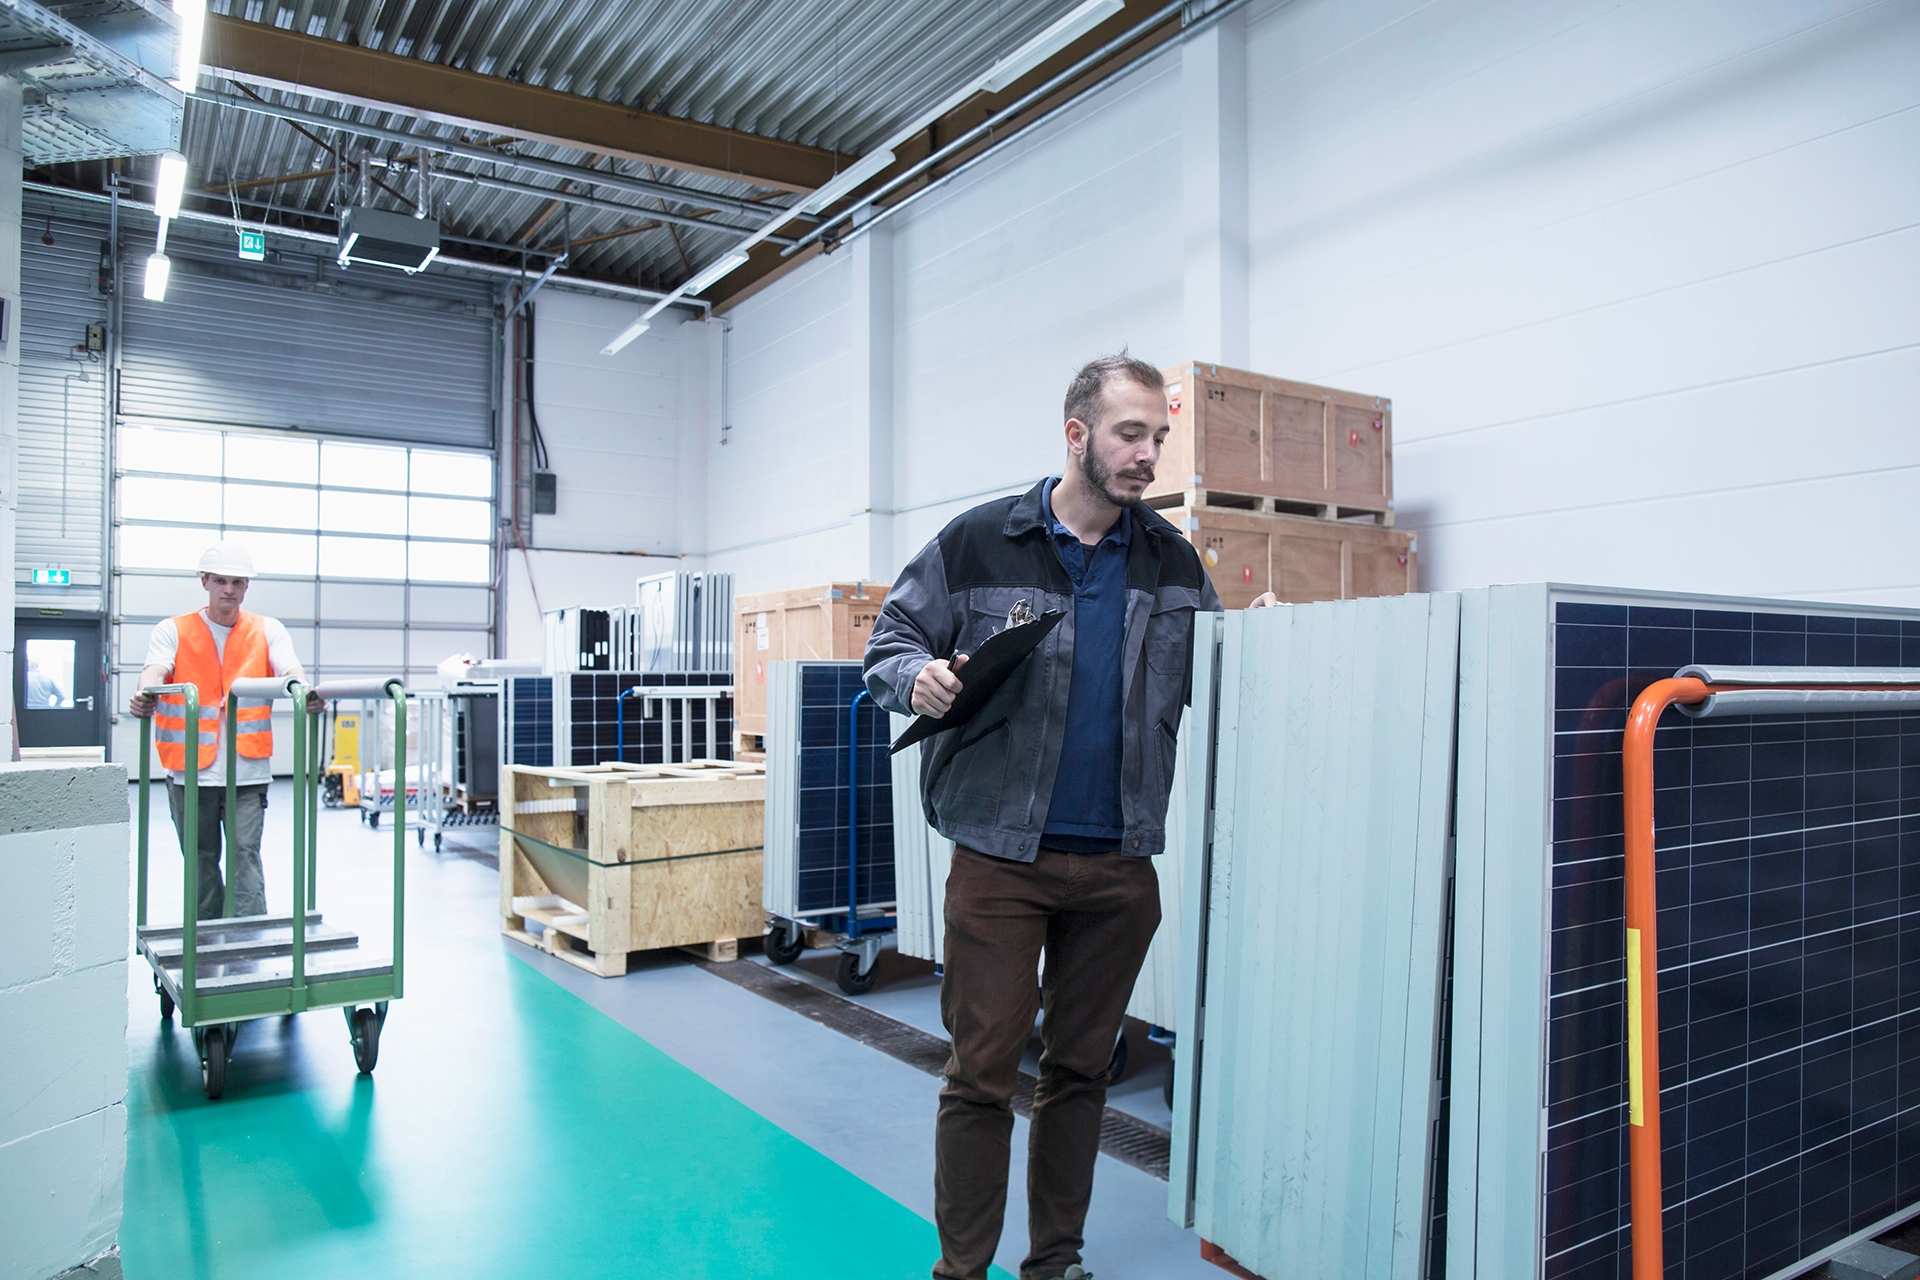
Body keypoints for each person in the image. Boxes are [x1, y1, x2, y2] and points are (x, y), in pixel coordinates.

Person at [864, 354, 1275, 1280]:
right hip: (1001, 861)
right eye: (1132, 434)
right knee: (981, 1077)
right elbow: (889, 641)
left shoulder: (1171, 561)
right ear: (1077, 434)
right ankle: (960, 1270)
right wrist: (914, 677)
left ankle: (1055, 1262)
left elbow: (1216, 673)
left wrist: (1264, 638)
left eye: (1159, 438)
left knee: (1082, 1074)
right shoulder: (978, 543)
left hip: (1120, 864)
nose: (1148, 456)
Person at [127, 540, 321, 922]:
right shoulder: (173, 630)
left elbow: (291, 671)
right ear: (204, 582)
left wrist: (306, 691)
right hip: (189, 772)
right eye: (220, 581)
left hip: (247, 772)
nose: (228, 589)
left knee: (245, 854)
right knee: (199, 859)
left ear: (246, 586)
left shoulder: (268, 630)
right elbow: (156, 668)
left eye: (236, 582)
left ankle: (251, 939)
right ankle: (205, 937)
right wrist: (144, 692)